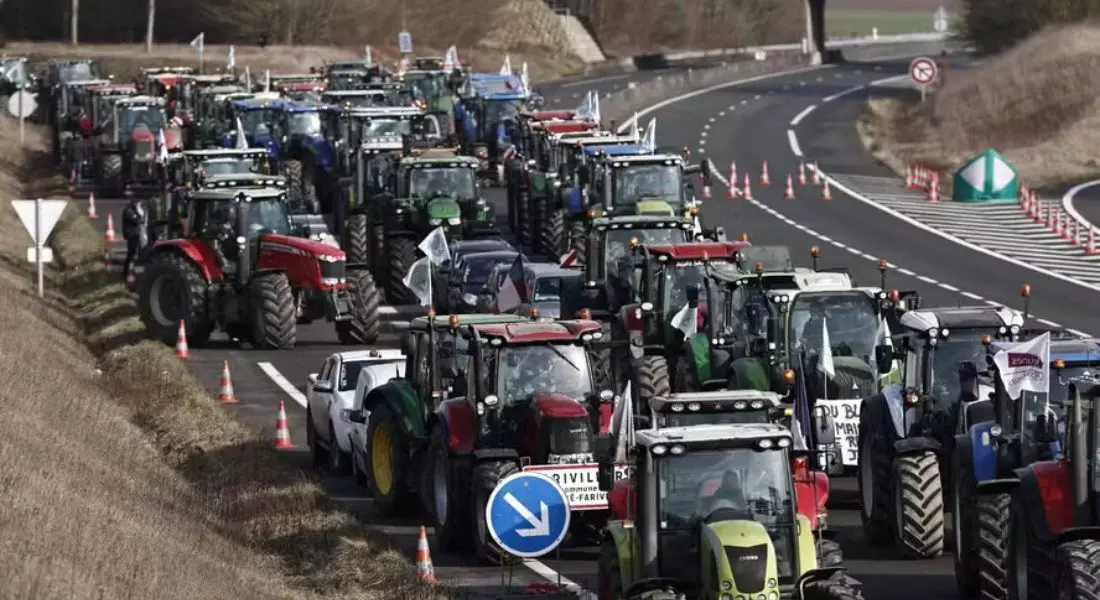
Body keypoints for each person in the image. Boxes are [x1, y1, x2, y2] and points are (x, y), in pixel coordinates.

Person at [121, 197, 148, 281]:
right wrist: (140, 213)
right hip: (132, 234)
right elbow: (137, 220)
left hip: (136, 234)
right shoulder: (128, 210)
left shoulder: (133, 210)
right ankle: (126, 272)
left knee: (139, 252)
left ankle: (135, 271)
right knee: (131, 253)